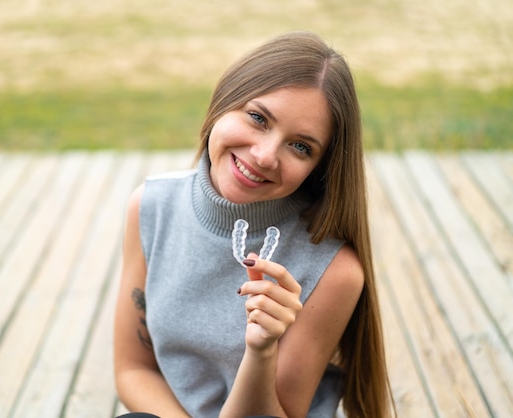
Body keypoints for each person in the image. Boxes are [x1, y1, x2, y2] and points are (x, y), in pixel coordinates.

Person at [114, 31, 395, 417]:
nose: (265, 156)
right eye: (258, 118)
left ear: (319, 167)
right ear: (223, 102)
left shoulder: (336, 270)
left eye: (300, 146)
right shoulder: (151, 206)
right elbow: (133, 370)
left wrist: (261, 351)